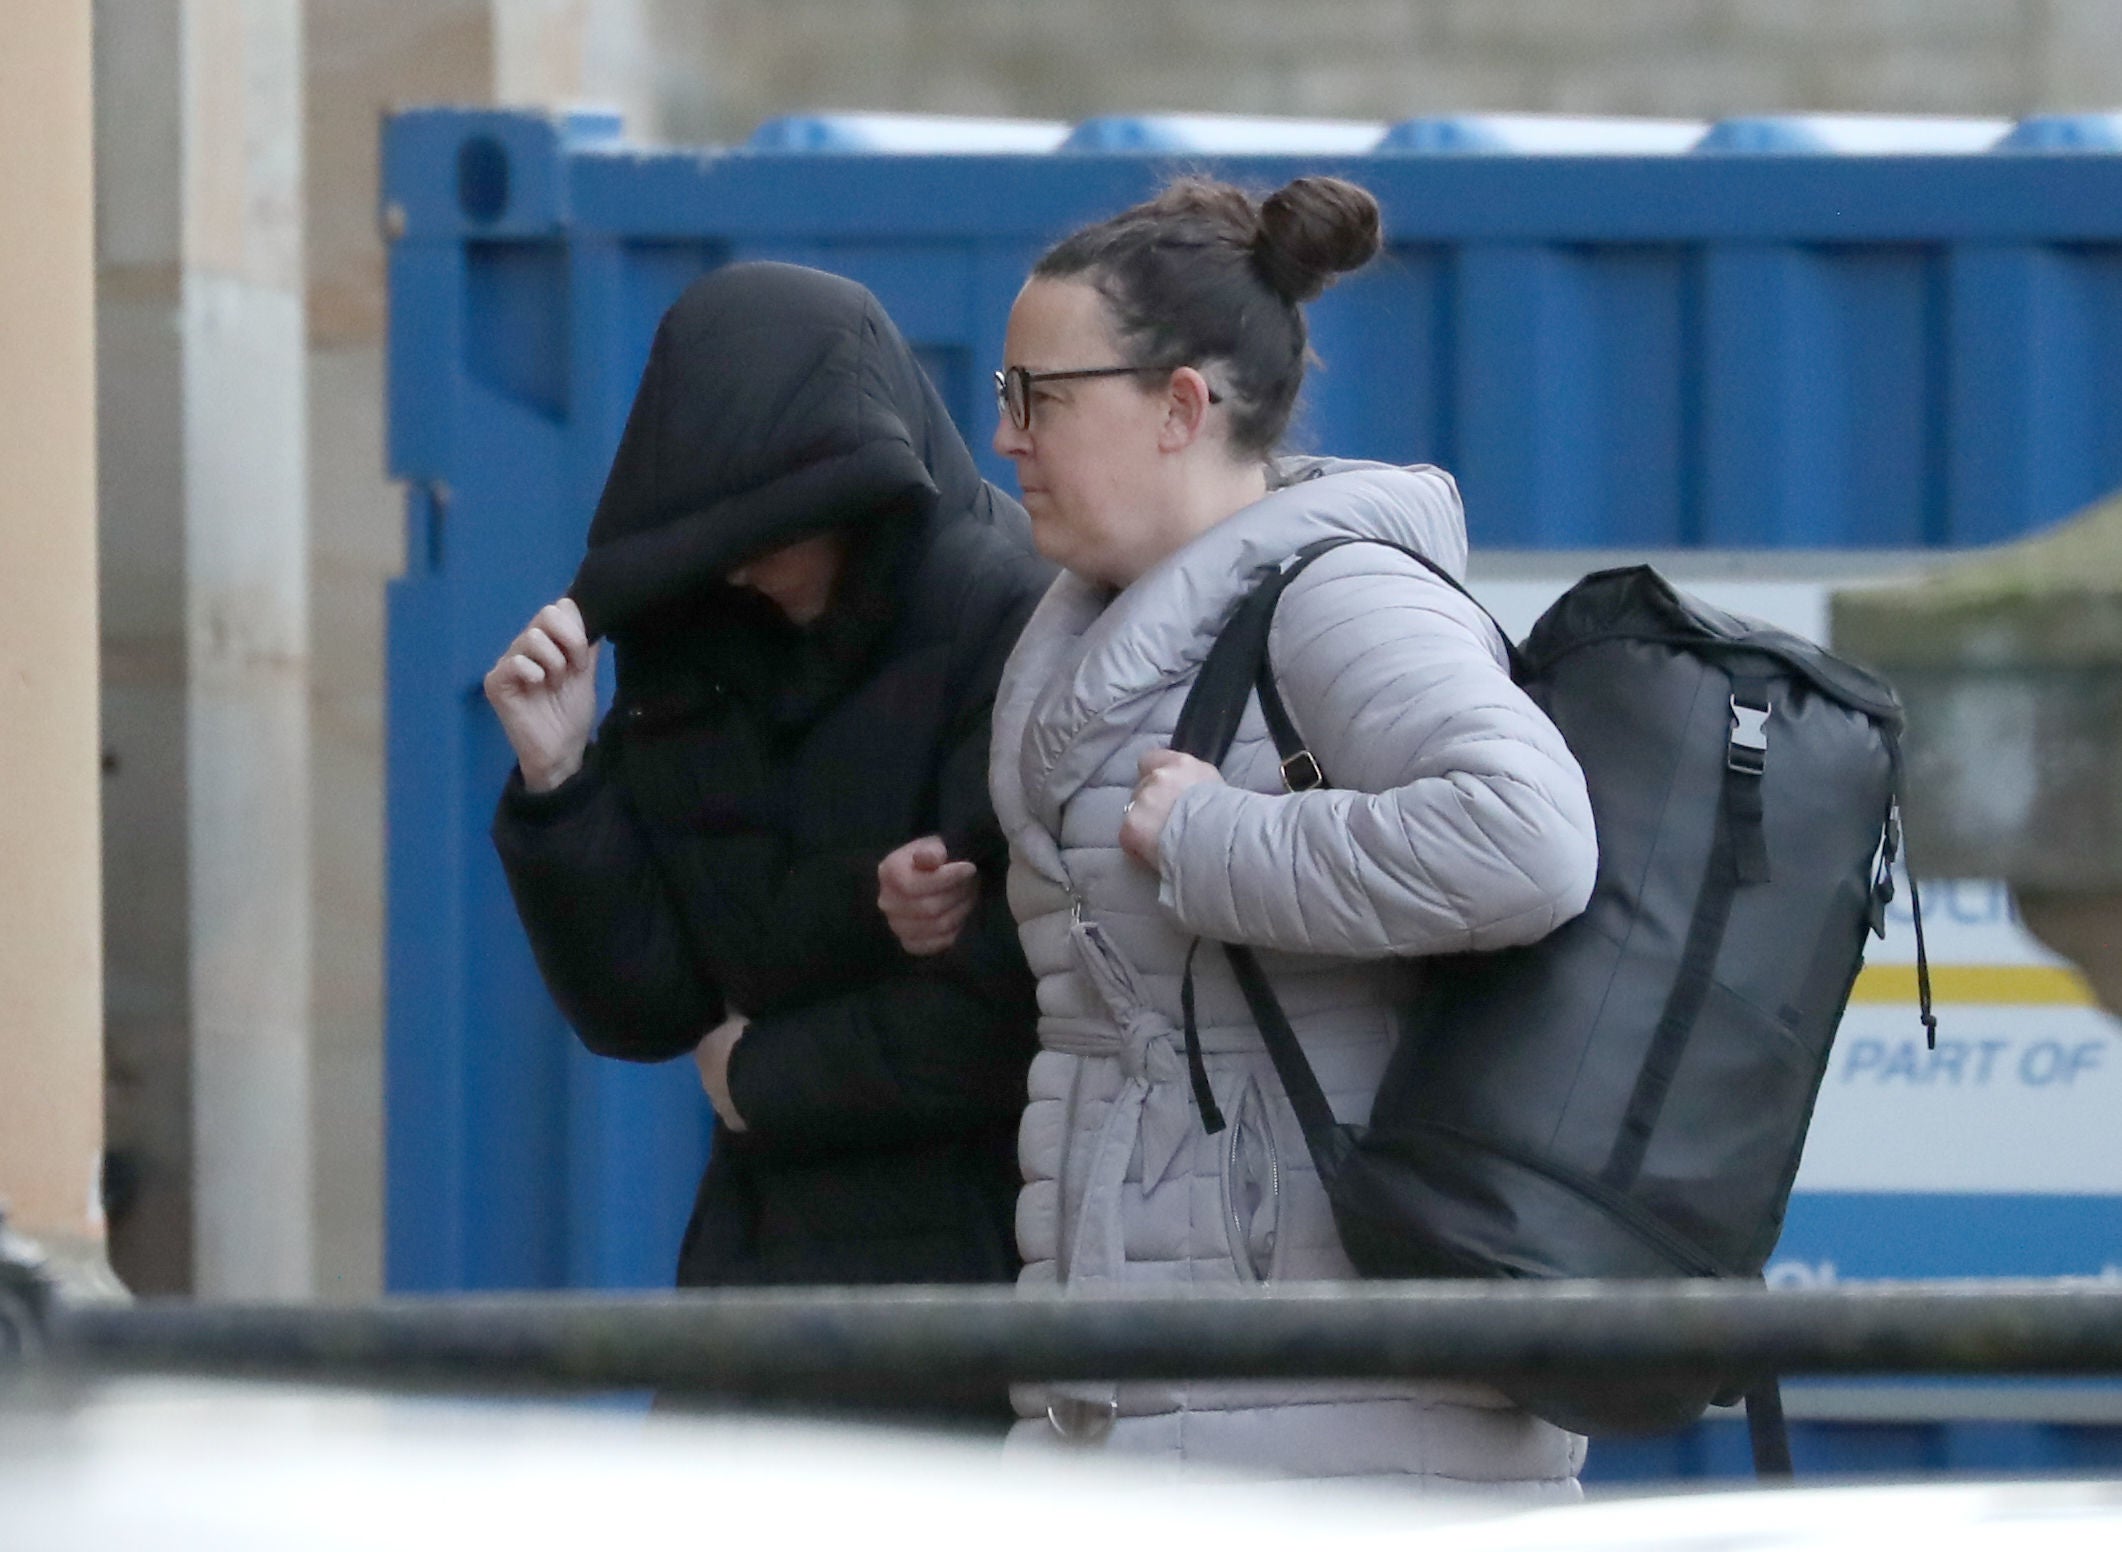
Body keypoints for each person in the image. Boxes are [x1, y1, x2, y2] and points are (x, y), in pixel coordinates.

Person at [936, 176, 1601, 1485]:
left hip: (1344, 1428)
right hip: (1168, 1391)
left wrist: (1209, 847)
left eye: (1039, 397)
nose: (1004, 437)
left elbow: (1529, 841)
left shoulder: (1335, 597)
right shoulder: (1097, 628)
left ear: (1180, 406)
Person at [484, 264, 1053, 1372]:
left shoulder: (1010, 616)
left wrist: (757, 1075)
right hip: (751, 1266)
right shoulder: (698, 638)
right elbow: (648, 1008)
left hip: (969, 1282)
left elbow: (1010, 1012)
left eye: (773, 512)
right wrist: (561, 781)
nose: (739, 551)